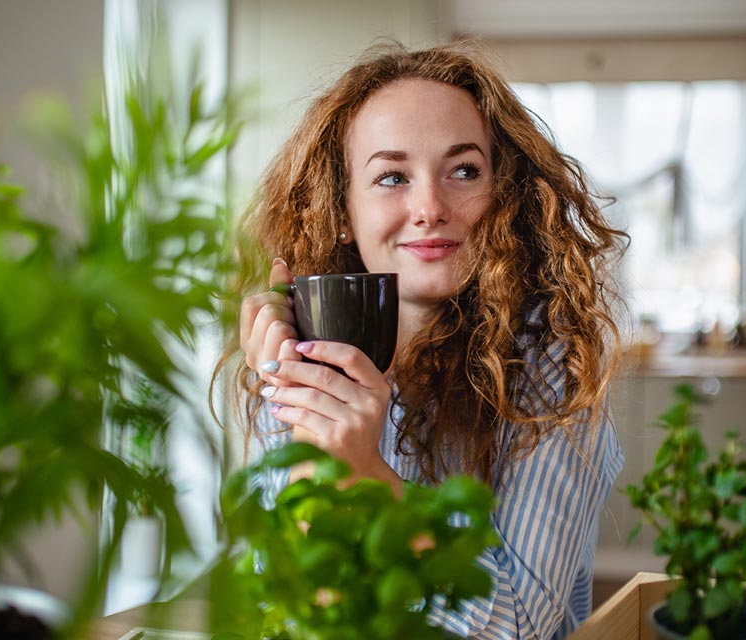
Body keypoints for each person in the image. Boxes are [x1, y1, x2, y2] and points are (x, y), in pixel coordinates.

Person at [217, 40, 626, 640]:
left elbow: (517, 625)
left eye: (463, 170)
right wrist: (294, 402)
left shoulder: (550, 368)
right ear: (342, 209)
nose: (430, 207)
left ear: (504, 194)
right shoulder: (297, 349)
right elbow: (283, 601)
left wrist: (366, 474)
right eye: (391, 177)